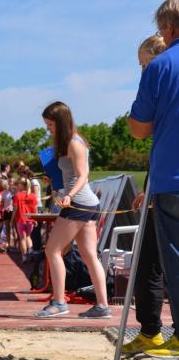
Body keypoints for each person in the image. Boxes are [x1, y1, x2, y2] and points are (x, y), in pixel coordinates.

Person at [128, 0, 179, 360]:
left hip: (171, 179)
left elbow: (139, 129)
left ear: (168, 27)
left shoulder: (160, 67)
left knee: (174, 264)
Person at [34, 101, 110, 319]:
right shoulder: (68, 143)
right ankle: (102, 306)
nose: (48, 129)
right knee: (89, 255)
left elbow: (83, 174)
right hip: (84, 204)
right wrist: (54, 181)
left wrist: (69, 195)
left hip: (79, 204)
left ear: (61, 122)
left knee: (52, 250)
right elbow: (70, 175)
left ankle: (59, 302)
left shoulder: (75, 144)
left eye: (50, 124)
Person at [122, 35, 168, 354]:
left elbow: (140, 128)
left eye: (144, 63)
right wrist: (148, 185)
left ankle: (155, 330)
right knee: (147, 260)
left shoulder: (161, 82)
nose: (142, 71)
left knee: (153, 261)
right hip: (160, 181)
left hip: (168, 186)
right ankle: (150, 330)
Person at [12, 177, 37, 262]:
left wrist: (12, 219)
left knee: (22, 238)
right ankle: (31, 251)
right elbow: (35, 209)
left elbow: (15, 209)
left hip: (20, 219)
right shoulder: (33, 196)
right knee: (28, 237)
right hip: (30, 220)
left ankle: (24, 257)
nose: (17, 186)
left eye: (18, 184)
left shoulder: (17, 195)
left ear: (22, 185)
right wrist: (35, 219)